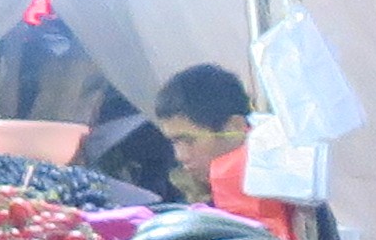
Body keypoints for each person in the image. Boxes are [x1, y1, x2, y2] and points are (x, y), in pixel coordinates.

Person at [75, 60, 252, 203]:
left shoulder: (274, 191)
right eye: (174, 142)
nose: (181, 156)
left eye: (189, 141)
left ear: (234, 127)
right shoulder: (197, 198)